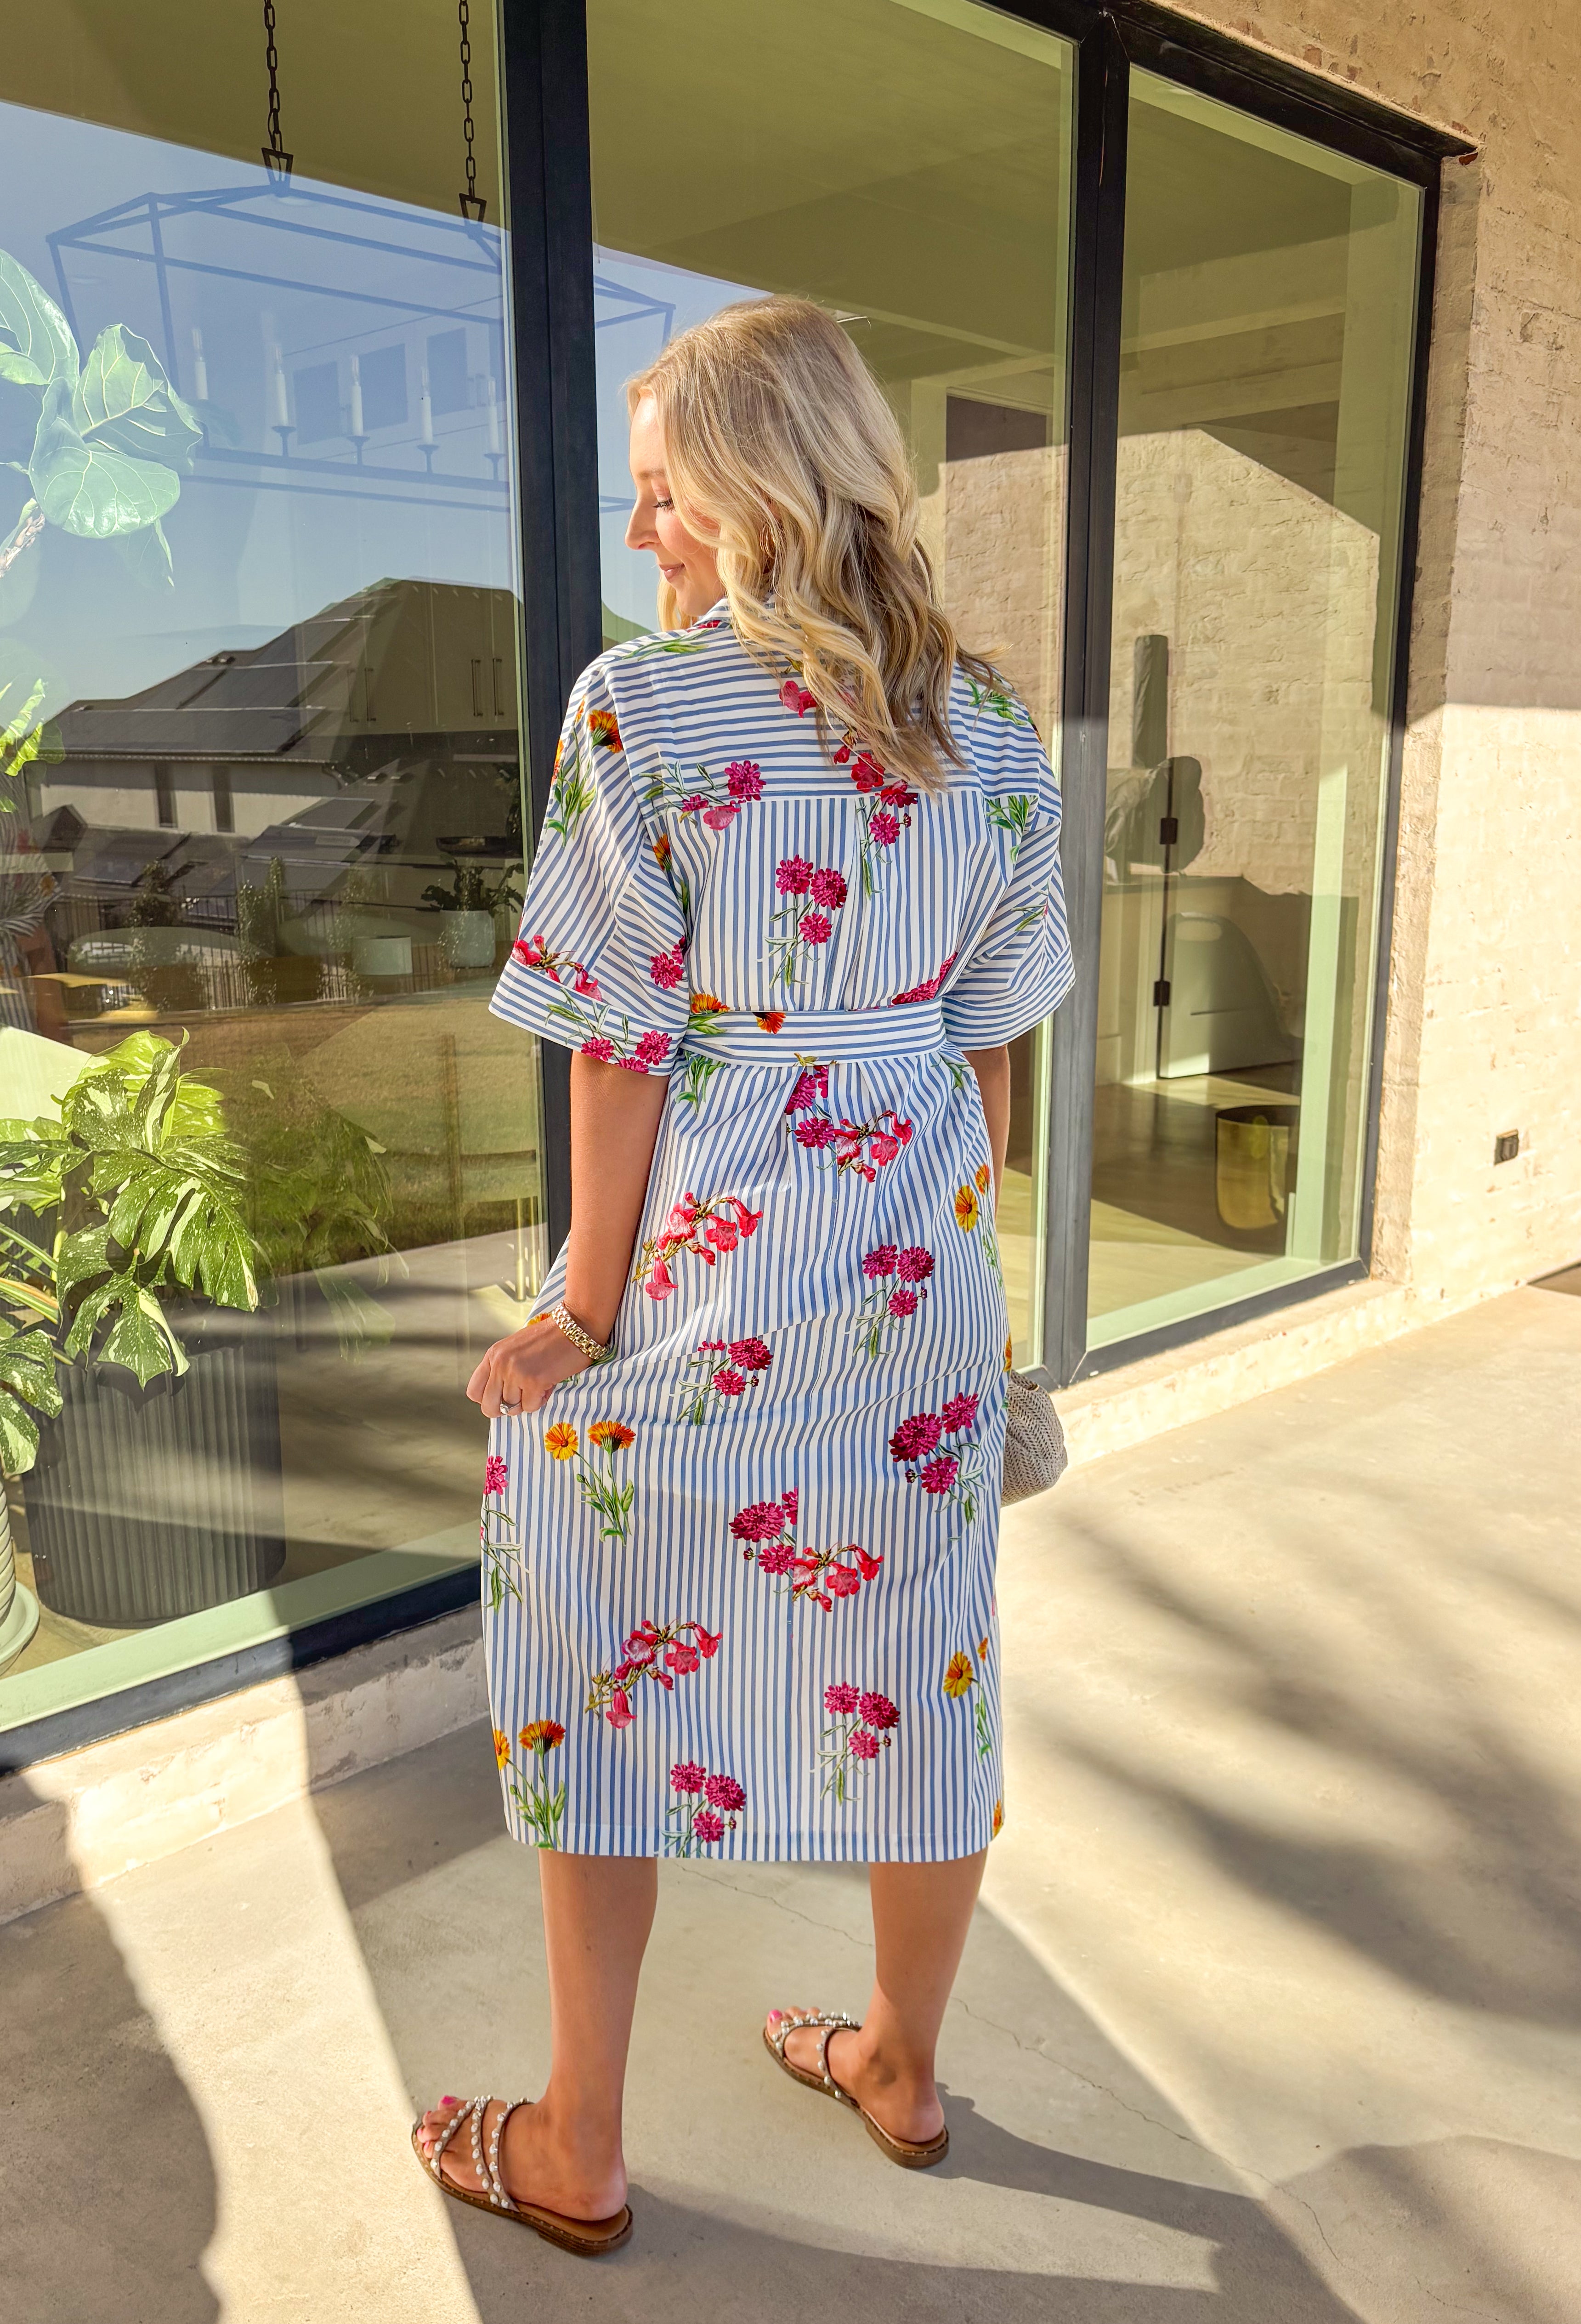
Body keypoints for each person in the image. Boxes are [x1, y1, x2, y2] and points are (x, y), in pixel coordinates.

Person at [414, 296, 1073, 2256]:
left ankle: (582, 2142)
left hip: (705, 1267)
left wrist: (582, 1310)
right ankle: (902, 2064)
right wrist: (907, 1176)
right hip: (918, 1281)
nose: (647, 540)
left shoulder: (644, 707)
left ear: (747, 488)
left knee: (598, 1649)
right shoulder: (1006, 728)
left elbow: (617, 1039)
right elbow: (1000, 1075)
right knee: (926, 1671)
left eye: (662, 496)